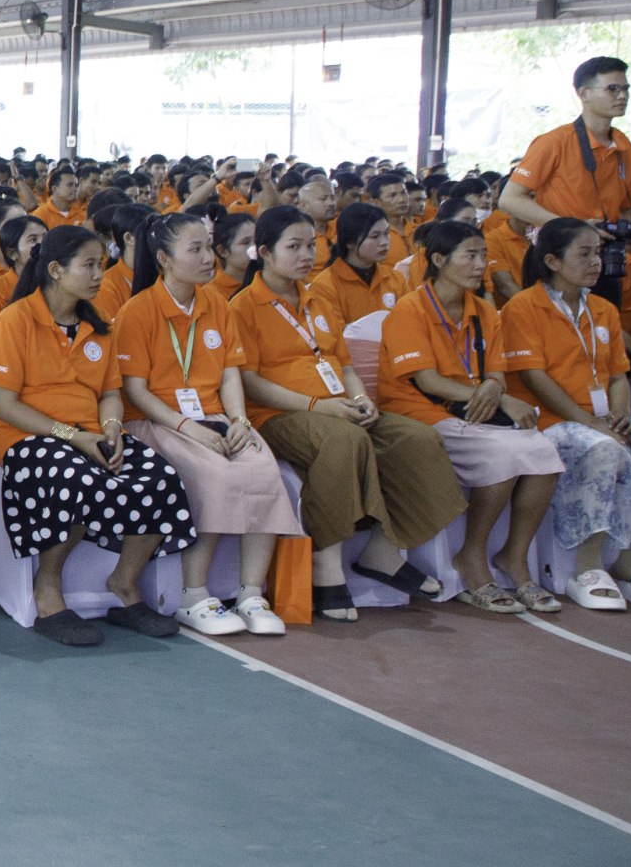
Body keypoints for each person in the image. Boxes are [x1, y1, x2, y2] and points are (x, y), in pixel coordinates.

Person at [233, 206, 465, 623]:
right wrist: (317, 406)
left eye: (311, 245)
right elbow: (250, 382)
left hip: (339, 405)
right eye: (294, 247)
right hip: (278, 414)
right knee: (343, 439)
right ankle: (325, 564)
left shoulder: (317, 299)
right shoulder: (243, 306)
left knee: (417, 438)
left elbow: (342, 364)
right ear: (264, 252)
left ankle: (384, 550)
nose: (306, 255)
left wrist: (360, 398)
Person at [0, 223, 199, 647]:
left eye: (102, 264)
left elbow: (110, 395)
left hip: (89, 433)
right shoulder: (16, 320)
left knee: (162, 479)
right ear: (56, 270)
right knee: (79, 480)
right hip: (25, 437)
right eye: (89, 265)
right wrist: (73, 437)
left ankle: (125, 582)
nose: (100, 274)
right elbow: (5, 406)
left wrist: (112, 432)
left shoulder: (98, 326)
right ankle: (48, 589)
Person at [111, 212, 303, 635]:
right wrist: (187, 427)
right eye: (194, 249)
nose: (206, 258)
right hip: (159, 422)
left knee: (263, 469)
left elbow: (230, 373)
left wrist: (239, 420)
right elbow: (136, 391)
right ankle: (193, 595)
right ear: (164, 258)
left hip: (214, 417)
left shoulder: (217, 304)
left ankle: (251, 593)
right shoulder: (137, 311)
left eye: (207, 246)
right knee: (215, 475)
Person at [376, 219, 565, 614]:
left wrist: (495, 388)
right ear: (439, 260)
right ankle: (471, 556)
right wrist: (494, 395)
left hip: (475, 411)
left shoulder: (484, 311)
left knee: (544, 453)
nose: (481, 265)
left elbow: (496, 372)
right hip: (421, 412)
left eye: (484, 255)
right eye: (471, 256)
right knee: (501, 455)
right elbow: (427, 381)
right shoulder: (410, 310)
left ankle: (514, 556)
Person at [499, 218, 631, 611]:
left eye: (598, 253)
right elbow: (534, 378)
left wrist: (620, 416)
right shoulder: (523, 307)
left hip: (600, 419)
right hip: (550, 421)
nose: (596, 262)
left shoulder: (603, 309)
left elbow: (617, 375)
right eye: (584, 254)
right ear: (552, 261)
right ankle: (586, 566)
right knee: (601, 448)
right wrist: (594, 425)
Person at [501, 57, 631, 302]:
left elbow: (628, 210)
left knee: (602, 323)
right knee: (553, 325)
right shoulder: (555, 141)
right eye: (612, 89)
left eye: (626, 88)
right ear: (584, 93)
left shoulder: (624, 146)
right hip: (557, 257)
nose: (622, 95)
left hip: (604, 257)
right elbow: (509, 200)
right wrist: (573, 226)